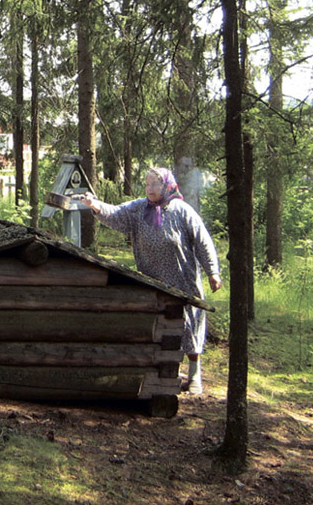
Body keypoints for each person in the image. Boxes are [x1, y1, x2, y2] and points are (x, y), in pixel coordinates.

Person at [79, 167, 222, 394]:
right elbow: (116, 215)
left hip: (182, 280)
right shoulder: (138, 208)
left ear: (167, 185)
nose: (150, 189)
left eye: (155, 184)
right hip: (151, 280)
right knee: (157, 325)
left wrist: (213, 272)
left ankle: (195, 375)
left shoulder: (182, 211)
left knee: (189, 324)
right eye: (147, 184)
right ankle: (161, 371)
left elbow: (203, 242)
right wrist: (94, 205)